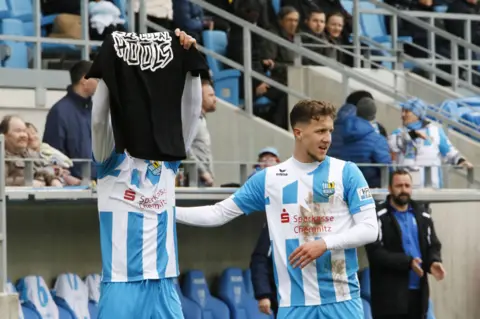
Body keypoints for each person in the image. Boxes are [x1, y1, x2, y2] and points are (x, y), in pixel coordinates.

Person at [176, 99, 379, 318]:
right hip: (293, 306)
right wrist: (167, 212)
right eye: (320, 131)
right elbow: (218, 213)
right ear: (298, 132)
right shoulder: (269, 179)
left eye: (329, 131)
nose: (327, 138)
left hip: (342, 302)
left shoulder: (346, 172)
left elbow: (369, 229)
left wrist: (324, 244)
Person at [91, 29, 199, 319]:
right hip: (121, 283)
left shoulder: (168, 161)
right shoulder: (111, 161)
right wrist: (106, 68)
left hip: (164, 282)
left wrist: (192, 68)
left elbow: (191, 115)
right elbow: (99, 122)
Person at [366, 170, 445, 319]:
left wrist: (434, 261)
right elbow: (375, 252)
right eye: (399, 185)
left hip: (418, 293)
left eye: (407, 185)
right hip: (388, 297)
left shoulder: (423, 215)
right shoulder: (377, 215)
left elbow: (433, 245)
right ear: (389, 188)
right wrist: (408, 262)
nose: (404, 190)